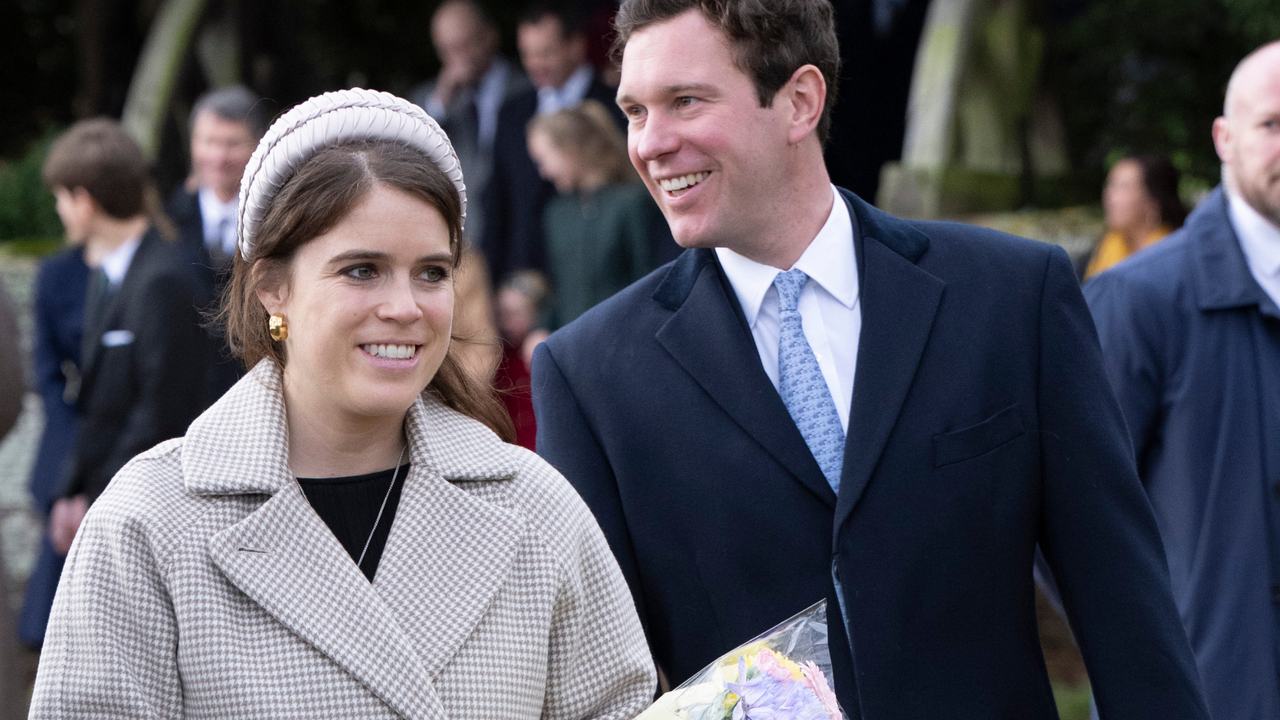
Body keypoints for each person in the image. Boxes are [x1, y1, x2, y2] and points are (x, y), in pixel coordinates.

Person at [531, 1, 1211, 718]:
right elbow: (595, 685)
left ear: (799, 101)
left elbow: (1124, 607)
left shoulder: (1011, 297)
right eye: (636, 111)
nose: (650, 143)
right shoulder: (591, 376)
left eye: (685, 102)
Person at [30, 89, 655, 718]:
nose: (406, 307)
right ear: (272, 288)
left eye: (432, 272)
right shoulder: (147, 525)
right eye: (362, 270)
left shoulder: (536, 507)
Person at [1084, 41, 1280, 719]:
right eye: (1272, 124)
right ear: (1224, 139)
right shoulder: (1137, 300)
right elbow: (1068, 520)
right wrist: (1154, 665)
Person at [40, 119, 215, 558]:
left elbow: (160, 407)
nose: (60, 210)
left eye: (61, 198)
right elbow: (98, 402)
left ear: (85, 201)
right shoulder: (110, 272)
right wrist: (70, 489)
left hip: (148, 505)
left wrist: (97, 498)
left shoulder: (163, 279)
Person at [481, 3, 624, 283]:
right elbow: (497, 201)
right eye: (528, 55)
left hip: (596, 278)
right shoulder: (511, 113)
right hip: (520, 282)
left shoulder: (616, 105)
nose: (536, 64)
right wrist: (493, 283)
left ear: (576, 46)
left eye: (546, 53)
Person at [527, 99, 672, 328]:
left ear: (570, 150)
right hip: (572, 344)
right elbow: (560, 287)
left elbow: (648, 278)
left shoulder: (631, 203)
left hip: (624, 336)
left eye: (544, 160)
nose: (543, 172)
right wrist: (541, 328)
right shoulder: (557, 213)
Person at [167, 84, 268, 403]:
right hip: (183, 394)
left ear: (256, 145)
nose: (218, 157)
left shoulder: (276, 219)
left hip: (255, 388)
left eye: (232, 143)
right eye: (208, 142)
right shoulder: (168, 217)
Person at [15, 233, 89, 649]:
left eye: (64, 198)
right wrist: (66, 482)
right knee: (45, 632)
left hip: (120, 465)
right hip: (65, 457)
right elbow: (47, 379)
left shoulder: (160, 270)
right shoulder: (56, 274)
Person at [410, 0, 531, 244]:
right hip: (461, 238)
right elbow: (410, 155)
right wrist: (442, 101)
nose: (458, 58)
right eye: (447, 50)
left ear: (490, 36)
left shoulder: (526, 88)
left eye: (465, 45)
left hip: (517, 234)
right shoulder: (429, 100)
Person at [1077, 154, 1186, 280]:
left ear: (1153, 202)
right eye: (1110, 185)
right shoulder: (1100, 253)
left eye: (1122, 187)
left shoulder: (1177, 257)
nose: (1109, 195)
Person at [494, 270, 550, 450]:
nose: (507, 322)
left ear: (535, 313)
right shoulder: (496, 356)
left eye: (516, 314)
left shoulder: (541, 352)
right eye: (502, 313)